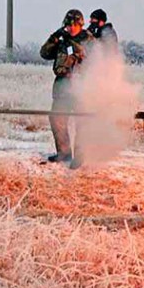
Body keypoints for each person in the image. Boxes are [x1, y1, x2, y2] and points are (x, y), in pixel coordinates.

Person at [40, 9, 94, 169]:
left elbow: (98, 61)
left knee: (82, 121)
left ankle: (80, 155)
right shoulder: (61, 39)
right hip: (62, 87)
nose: (70, 28)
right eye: (67, 25)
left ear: (80, 25)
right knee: (57, 119)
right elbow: (44, 53)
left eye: (73, 25)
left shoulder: (88, 40)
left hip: (81, 87)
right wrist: (54, 37)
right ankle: (63, 152)